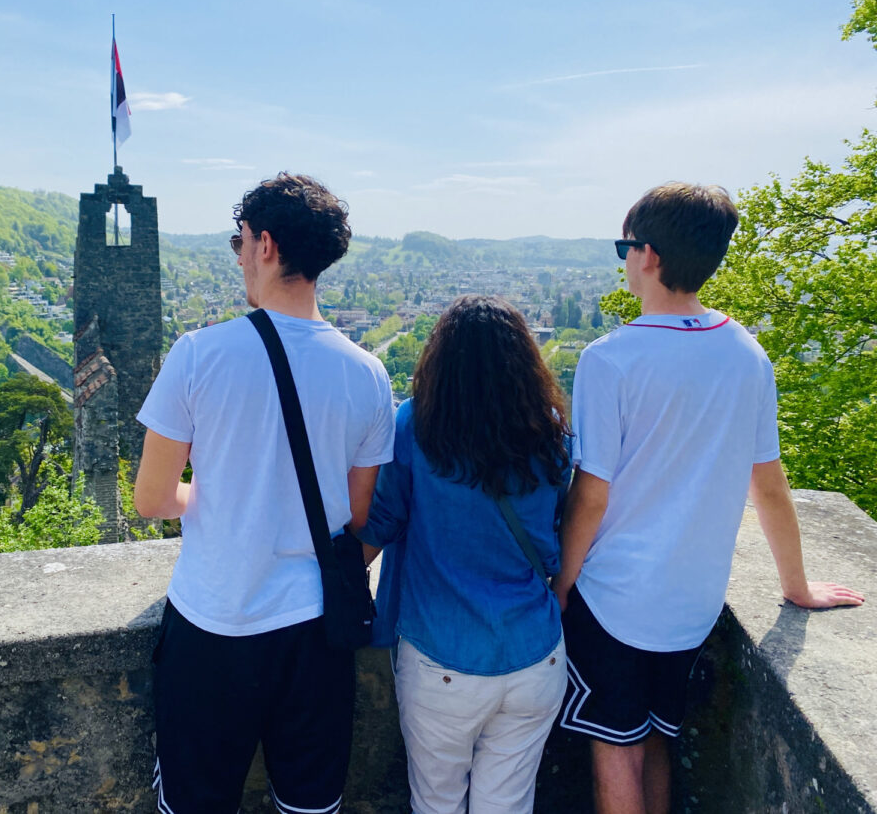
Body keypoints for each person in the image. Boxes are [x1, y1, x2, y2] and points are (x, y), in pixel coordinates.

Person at [552, 182, 865, 814]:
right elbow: (768, 482)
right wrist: (796, 585)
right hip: (692, 601)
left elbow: (592, 493)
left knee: (615, 747)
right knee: (658, 739)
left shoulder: (611, 359)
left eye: (624, 245)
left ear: (650, 255)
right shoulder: (745, 352)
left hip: (615, 595)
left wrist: (560, 584)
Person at [133, 173, 395, 814]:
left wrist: (210, 498)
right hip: (314, 631)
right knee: (310, 806)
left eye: (239, 241)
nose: (240, 254)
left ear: (267, 245)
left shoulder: (199, 355)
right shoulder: (367, 373)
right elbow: (359, 517)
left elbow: (152, 498)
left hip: (215, 621)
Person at [358, 295, 572, 814]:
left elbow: (381, 522)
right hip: (535, 651)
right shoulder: (550, 432)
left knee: (436, 801)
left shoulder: (416, 426)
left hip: (441, 655)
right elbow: (560, 527)